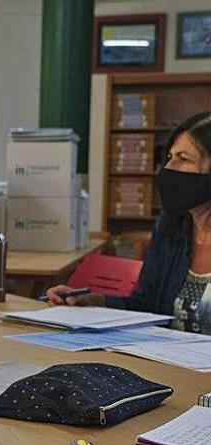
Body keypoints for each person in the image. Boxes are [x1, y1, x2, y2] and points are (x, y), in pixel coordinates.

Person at [46, 111, 211, 335]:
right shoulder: (171, 229)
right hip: (168, 364)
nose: (169, 169)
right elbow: (146, 305)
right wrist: (91, 301)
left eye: (183, 159)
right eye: (169, 158)